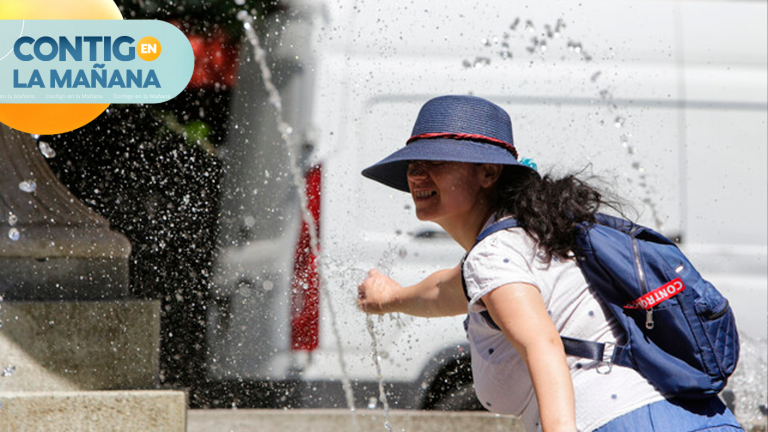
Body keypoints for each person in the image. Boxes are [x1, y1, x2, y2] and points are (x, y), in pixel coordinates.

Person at [357, 95, 743, 432]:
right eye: (412, 163)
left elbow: (541, 344)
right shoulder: (535, 237)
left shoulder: (494, 256)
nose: (416, 173)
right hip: (701, 419)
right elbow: (446, 290)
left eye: (435, 161)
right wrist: (390, 297)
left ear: (489, 173)